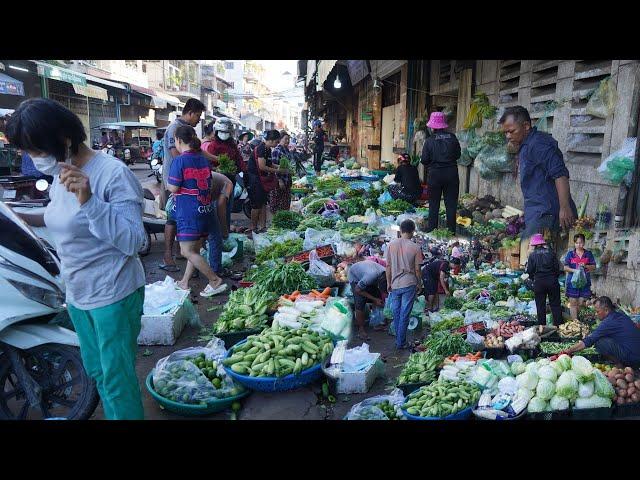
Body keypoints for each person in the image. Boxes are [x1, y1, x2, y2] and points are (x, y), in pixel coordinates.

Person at [6, 98, 146, 420]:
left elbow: (134, 241)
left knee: (116, 380)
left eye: (36, 150)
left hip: (113, 293)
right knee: (97, 372)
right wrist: (20, 216)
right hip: (79, 292)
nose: (33, 159)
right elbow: (60, 217)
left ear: (64, 139)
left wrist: (89, 200)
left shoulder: (112, 174)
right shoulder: (61, 172)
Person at [499, 106, 577, 248]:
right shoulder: (526, 144)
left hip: (547, 215)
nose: (508, 136)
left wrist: (564, 207)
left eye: (511, 131)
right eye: (505, 133)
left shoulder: (540, 144)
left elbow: (560, 175)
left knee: (538, 260)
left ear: (526, 126)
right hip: (537, 212)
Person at [167, 125, 227, 297]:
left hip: (189, 211)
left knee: (186, 251)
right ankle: (184, 282)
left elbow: (173, 187)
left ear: (178, 141)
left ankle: (214, 280)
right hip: (205, 209)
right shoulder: (202, 159)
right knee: (195, 249)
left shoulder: (180, 160)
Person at [160, 98, 207, 272]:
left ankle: (182, 252)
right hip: (174, 179)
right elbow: (177, 154)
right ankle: (167, 255)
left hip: (184, 180)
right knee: (172, 217)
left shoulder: (187, 130)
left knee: (181, 216)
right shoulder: (175, 129)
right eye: (198, 116)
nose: (198, 120)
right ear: (191, 113)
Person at [560, 297, 640, 367]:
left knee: (599, 341)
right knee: (600, 337)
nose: (596, 314)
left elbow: (589, 340)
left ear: (606, 310)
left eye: (597, 311)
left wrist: (569, 351)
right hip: (636, 353)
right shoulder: (619, 315)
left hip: (632, 357)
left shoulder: (609, 322)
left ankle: (620, 365)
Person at [385, 220, 424, 350]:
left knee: (396, 313)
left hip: (395, 284)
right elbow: (418, 270)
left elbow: (388, 266)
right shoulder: (416, 247)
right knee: (404, 314)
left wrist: (388, 282)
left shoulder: (391, 245)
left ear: (400, 230)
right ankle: (401, 342)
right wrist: (419, 284)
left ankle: (399, 340)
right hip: (409, 283)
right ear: (412, 231)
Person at [421, 111, 461, 234]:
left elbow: (424, 160)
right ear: (444, 125)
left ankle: (432, 228)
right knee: (451, 203)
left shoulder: (429, 141)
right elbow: (458, 155)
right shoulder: (452, 138)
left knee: (434, 202)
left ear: (432, 127)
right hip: (451, 174)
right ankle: (451, 230)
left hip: (435, 175)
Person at [204, 118, 246, 230]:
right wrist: (218, 169)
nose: (224, 134)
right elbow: (209, 165)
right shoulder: (213, 146)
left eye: (227, 132)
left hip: (231, 181)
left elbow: (239, 159)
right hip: (218, 183)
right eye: (222, 132)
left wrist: (243, 170)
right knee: (218, 209)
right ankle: (220, 233)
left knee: (227, 209)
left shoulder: (232, 144)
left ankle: (225, 231)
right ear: (216, 132)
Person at [246, 129, 287, 233]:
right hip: (254, 180)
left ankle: (263, 227)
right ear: (272, 140)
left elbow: (269, 164)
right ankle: (253, 228)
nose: (277, 143)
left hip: (261, 180)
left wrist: (282, 167)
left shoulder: (268, 149)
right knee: (256, 205)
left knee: (263, 203)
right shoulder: (261, 148)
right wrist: (278, 170)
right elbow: (262, 166)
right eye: (277, 141)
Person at [525, 233, 562, 326]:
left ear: (534, 244)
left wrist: (533, 278)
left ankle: (542, 329)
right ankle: (559, 329)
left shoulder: (532, 255)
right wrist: (553, 278)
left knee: (540, 307)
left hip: (539, 283)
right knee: (556, 306)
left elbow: (529, 271)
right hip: (552, 281)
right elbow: (557, 269)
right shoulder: (551, 253)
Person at [347, 259, 388, 341]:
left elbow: (384, 290)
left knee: (378, 296)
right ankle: (361, 330)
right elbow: (358, 290)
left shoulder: (386, 272)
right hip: (355, 277)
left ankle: (376, 323)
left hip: (366, 272)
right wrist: (374, 299)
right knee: (360, 302)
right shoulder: (371, 276)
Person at [205, 171, 233, 277]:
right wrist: (224, 230)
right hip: (201, 203)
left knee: (197, 240)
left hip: (193, 203)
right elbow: (221, 205)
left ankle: (196, 271)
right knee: (215, 236)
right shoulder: (229, 183)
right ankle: (216, 270)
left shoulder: (215, 177)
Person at [564, 233, 597, 320]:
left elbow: (594, 266)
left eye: (581, 242)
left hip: (584, 282)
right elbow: (565, 267)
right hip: (572, 282)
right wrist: (574, 270)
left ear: (584, 243)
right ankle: (575, 322)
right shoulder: (570, 254)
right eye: (577, 243)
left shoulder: (588, 254)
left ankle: (576, 319)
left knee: (581, 302)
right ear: (574, 243)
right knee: (573, 303)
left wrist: (586, 266)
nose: (579, 245)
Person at [269, 131, 294, 214]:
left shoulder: (286, 150)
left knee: (285, 205)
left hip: (287, 181)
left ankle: (283, 223)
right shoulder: (277, 151)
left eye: (288, 139)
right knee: (277, 204)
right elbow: (273, 166)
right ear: (280, 139)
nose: (287, 141)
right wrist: (279, 180)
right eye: (286, 139)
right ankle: (275, 223)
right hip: (279, 182)